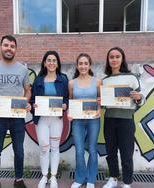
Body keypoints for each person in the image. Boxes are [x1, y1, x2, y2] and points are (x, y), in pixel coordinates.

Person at [0, 35, 31, 188]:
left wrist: (26, 102)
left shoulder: (23, 69)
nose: (9, 48)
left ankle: (18, 180)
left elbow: (27, 91)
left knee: (19, 151)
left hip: (17, 116)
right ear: (1, 47)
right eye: (6, 45)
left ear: (16, 49)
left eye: (12, 46)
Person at [102, 47, 144, 188]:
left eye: (117, 56)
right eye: (111, 57)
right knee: (111, 151)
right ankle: (113, 178)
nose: (114, 59)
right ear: (108, 60)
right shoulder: (105, 81)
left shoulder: (132, 77)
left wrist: (139, 98)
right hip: (109, 120)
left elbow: (141, 100)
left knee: (127, 153)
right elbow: (104, 104)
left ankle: (127, 182)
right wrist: (99, 102)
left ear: (122, 59)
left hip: (126, 120)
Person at [30, 51, 68, 188]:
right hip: (42, 120)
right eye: (49, 60)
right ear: (44, 63)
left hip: (56, 119)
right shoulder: (38, 80)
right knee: (44, 148)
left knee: (55, 147)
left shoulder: (63, 79)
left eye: (54, 60)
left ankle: (53, 177)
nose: (51, 63)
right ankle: (44, 175)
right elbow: (32, 99)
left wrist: (65, 105)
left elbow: (68, 98)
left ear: (57, 63)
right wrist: (33, 105)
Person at [69, 53, 101, 188]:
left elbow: (100, 99)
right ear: (77, 66)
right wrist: (69, 113)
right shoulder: (71, 83)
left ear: (89, 65)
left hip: (93, 119)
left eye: (85, 63)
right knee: (79, 150)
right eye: (80, 63)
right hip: (77, 120)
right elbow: (70, 100)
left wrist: (100, 109)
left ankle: (91, 180)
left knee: (93, 149)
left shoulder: (98, 81)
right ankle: (80, 178)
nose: (83, 66)